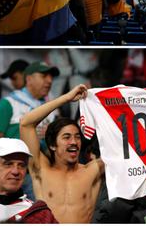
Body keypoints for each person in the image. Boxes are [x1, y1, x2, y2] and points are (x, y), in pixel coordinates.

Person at [19, 84, 105, 223]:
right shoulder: (41, 170)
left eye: (77, 137)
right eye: (67, 137)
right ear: (53, 145)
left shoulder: (94, 170)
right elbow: (25, 123)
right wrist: (67, 98)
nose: (73, 141)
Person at [0, 61, 58, 146]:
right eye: (44, 76)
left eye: (51, 77)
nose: (50, 81)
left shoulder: (50, 109)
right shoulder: (9, 103)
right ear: (29, 79)